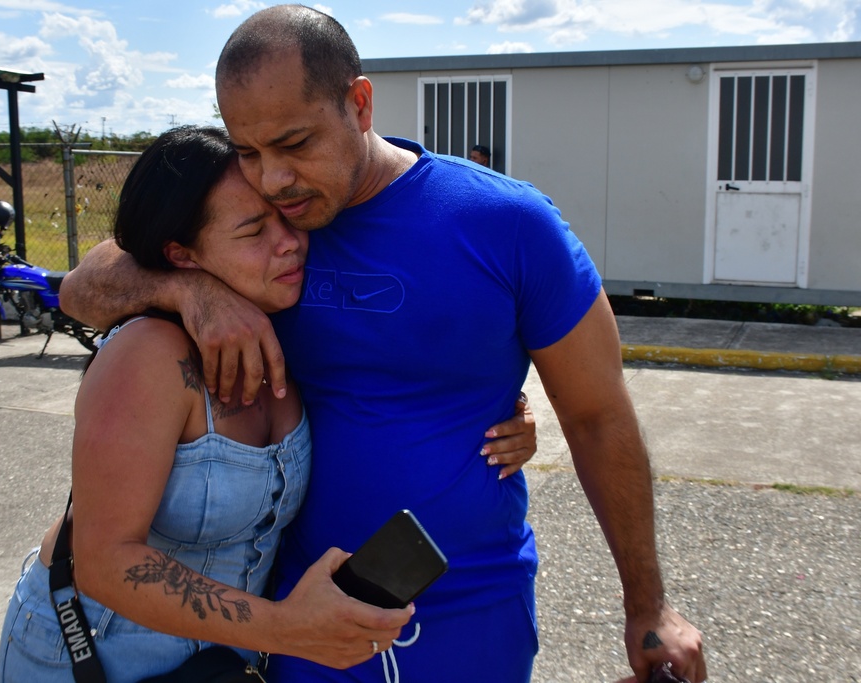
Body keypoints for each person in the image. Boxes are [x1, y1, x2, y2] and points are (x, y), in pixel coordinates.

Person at [60, 5, 706, 683]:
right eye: (249, 150)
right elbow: (85, 285)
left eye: (295, 142)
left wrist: (648, 604)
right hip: (305, 620)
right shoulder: (261, 228)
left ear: (359, 104)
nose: (273, 176)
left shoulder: (507, 224)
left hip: (473, 614)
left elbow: (599, 415)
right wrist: (191, 292)